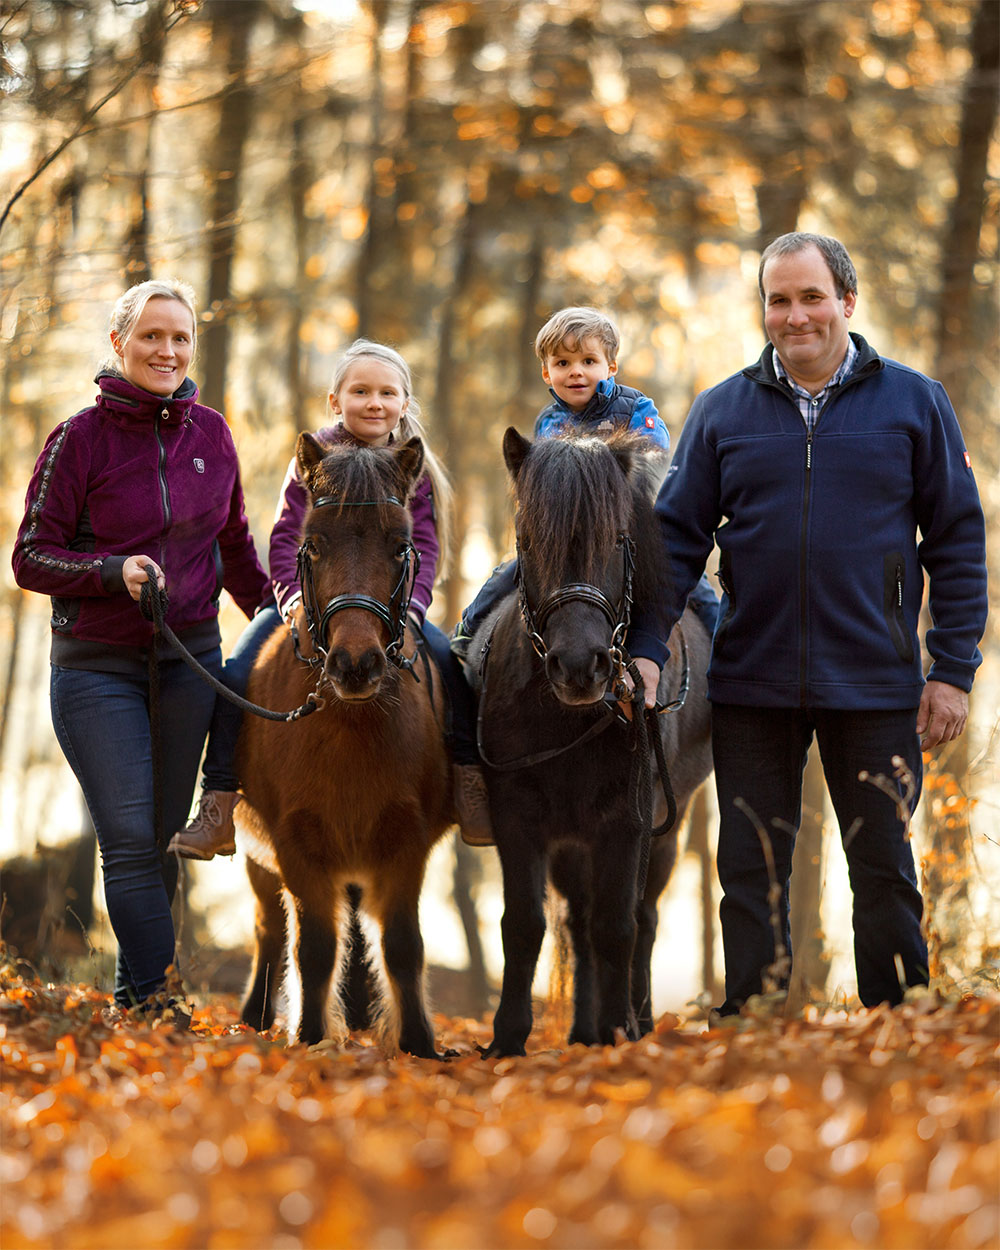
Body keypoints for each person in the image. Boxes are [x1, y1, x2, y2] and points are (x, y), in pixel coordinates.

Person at [629, 232, 988, 1016]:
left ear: (847, 303)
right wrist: (648, 650)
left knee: (884, 864)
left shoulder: (915, 402)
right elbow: (676, 542)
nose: (795, 316)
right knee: (751, 866)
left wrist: (951, 671)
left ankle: (899, 1022)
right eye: (779, 300)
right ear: (764, 309)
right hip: (754, 680)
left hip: (878, 681)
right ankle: (754, 1021)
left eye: (811, 296)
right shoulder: (723, 410)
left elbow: (958, 541)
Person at [12, 279, 271, 1015]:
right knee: (126, 835)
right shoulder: (78, 439)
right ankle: (160, 998)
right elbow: (31, 557)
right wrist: (110, 571)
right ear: (119, 343)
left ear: (193, 346)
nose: (167, 350)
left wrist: (283, 618)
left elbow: (236, 548)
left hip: (189, 661)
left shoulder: (212, 435)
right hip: (97, 666)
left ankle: (136, 1000)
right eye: (151, 336)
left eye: (180, 337)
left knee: (158, 840)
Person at [167, 338, 490, 859]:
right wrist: (291, 598)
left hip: (390, 605)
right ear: (335, 400)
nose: (374, 402)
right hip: (312, 599)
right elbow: (284, 535)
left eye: (388, 392)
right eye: (360, 390)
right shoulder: (314, 457)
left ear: (405, 403)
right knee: (236, 672)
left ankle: (469, 783)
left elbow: (424, 545)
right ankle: (220, 800)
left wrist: (411, 606)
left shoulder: (411, 465)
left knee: (451, 668)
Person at [451, 304, 719, 673]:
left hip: (627, 530)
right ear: (547, 372)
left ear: (610, 367)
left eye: (588, 361)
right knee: (509, 573)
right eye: (562, 363)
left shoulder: (636, 410)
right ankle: (469, 630)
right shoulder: (548, 421)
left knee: (691, 583)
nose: (576, 371)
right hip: (567, 540)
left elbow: (653, 461)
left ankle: (721, 644)